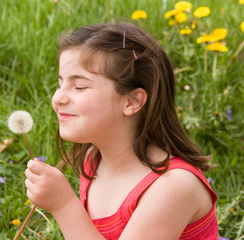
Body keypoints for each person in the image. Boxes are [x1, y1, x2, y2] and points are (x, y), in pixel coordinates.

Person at [24, 22, 219, 239]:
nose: (58, 98)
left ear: (132, 102)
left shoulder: (171, 186)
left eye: (79, 87)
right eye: (60, 84)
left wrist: (63, 205)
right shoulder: (94, 159)